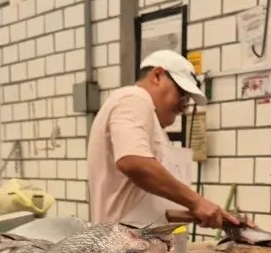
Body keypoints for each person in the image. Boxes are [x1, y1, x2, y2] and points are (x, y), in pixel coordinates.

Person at [86, 49, 239, 229]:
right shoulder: (134, 98)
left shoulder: (152, 121)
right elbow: (133, 162)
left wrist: (218, 216)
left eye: (187, 101)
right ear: (157, 75)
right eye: (182, 96)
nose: (183, 108)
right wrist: (197, 202)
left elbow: (153, 203)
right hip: (122, 249)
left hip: (140, 247)